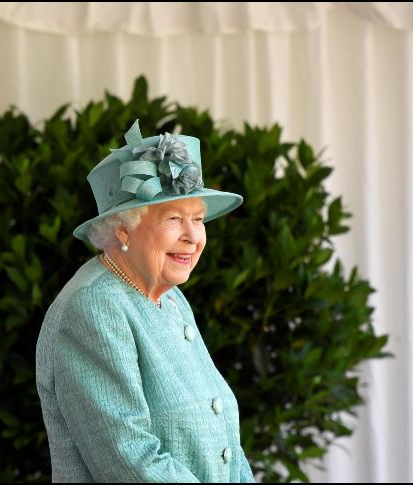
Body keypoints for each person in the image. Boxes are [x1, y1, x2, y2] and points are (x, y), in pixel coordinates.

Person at [36, 120, 256, 482]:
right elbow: (131, 461)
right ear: (124, 229)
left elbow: (226, 442)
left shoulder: (172, 300)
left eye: (198, 219)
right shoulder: (93, 309)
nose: (192, 237)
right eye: (173, 218)